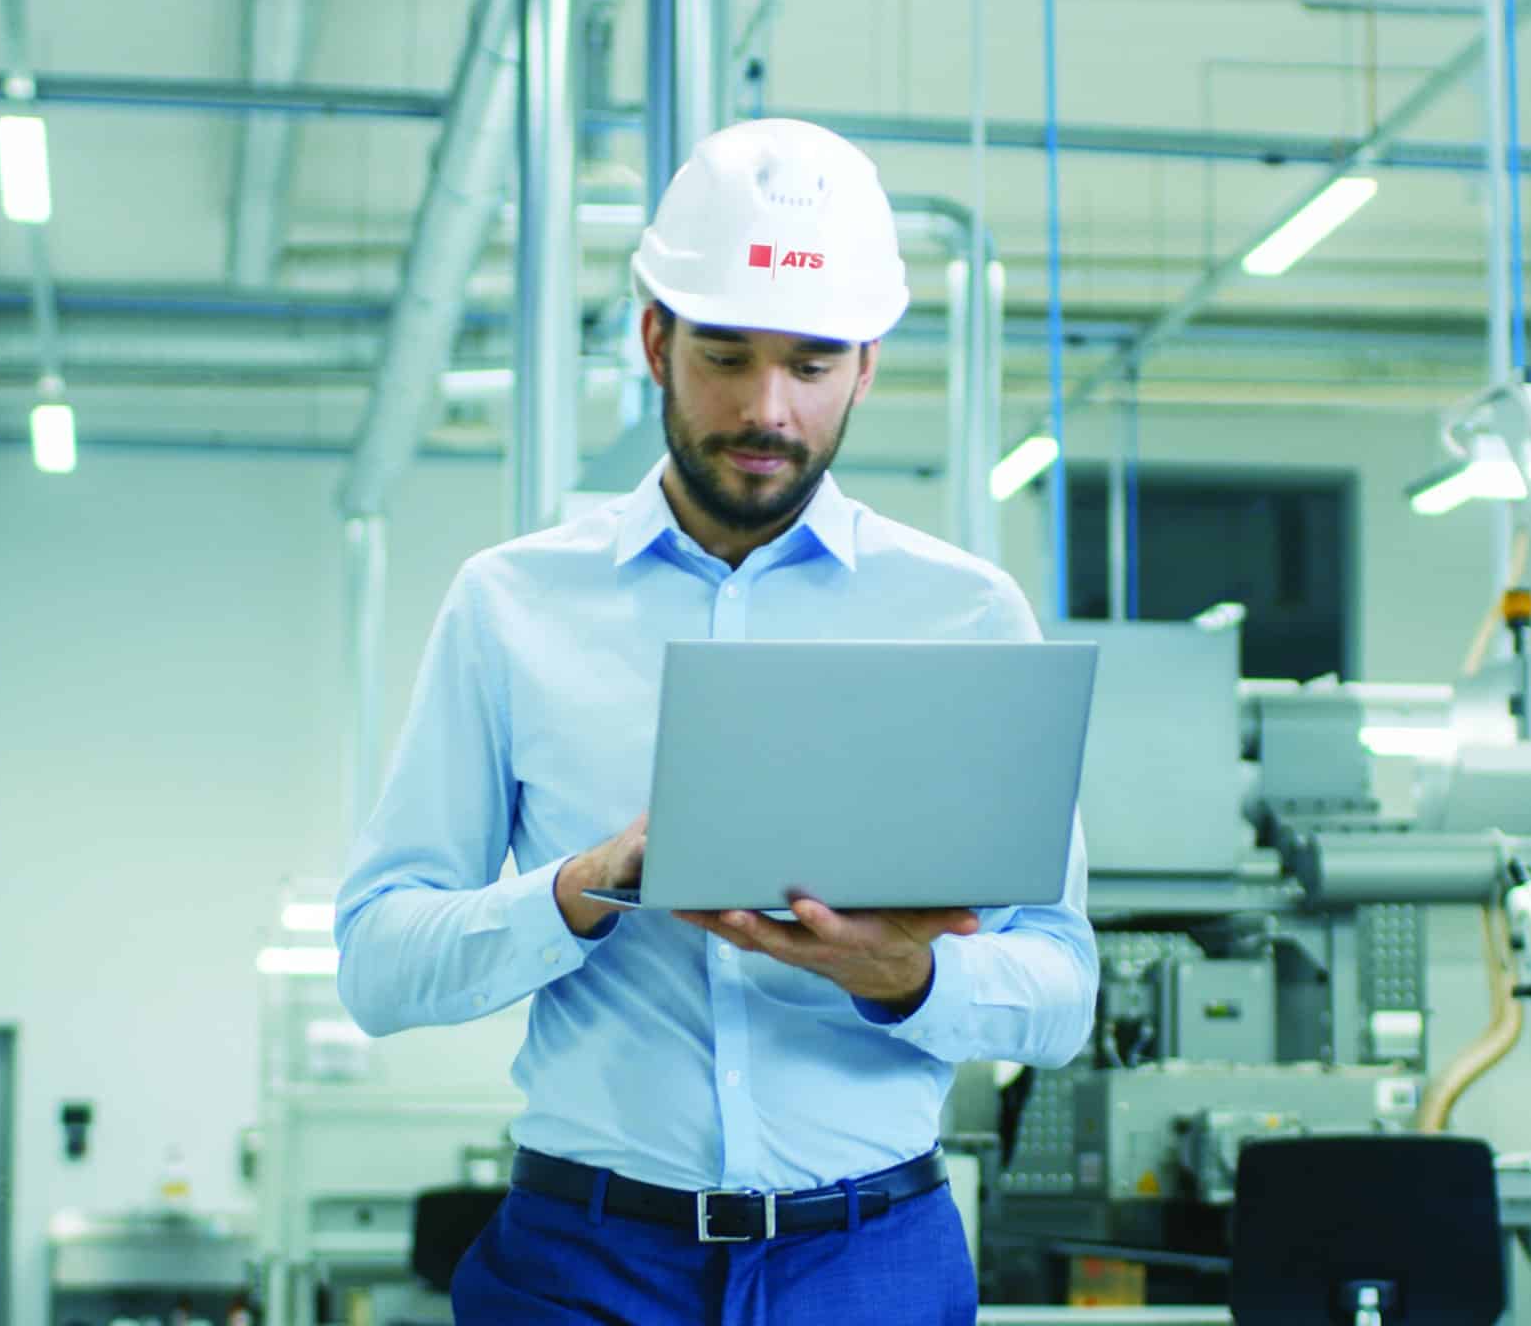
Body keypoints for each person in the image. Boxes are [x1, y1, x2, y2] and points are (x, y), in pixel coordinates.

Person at [334, 117, 1097, 1325]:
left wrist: (905, 976)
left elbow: (1059, 988)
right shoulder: (513, 603)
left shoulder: (962, 613)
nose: (767, 409)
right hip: (584, 1260)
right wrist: (581, 889)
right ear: (655, 340)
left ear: (866, 366)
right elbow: (378, 963)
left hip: (868, 1261)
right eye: (727, 357)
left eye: (810, 363)